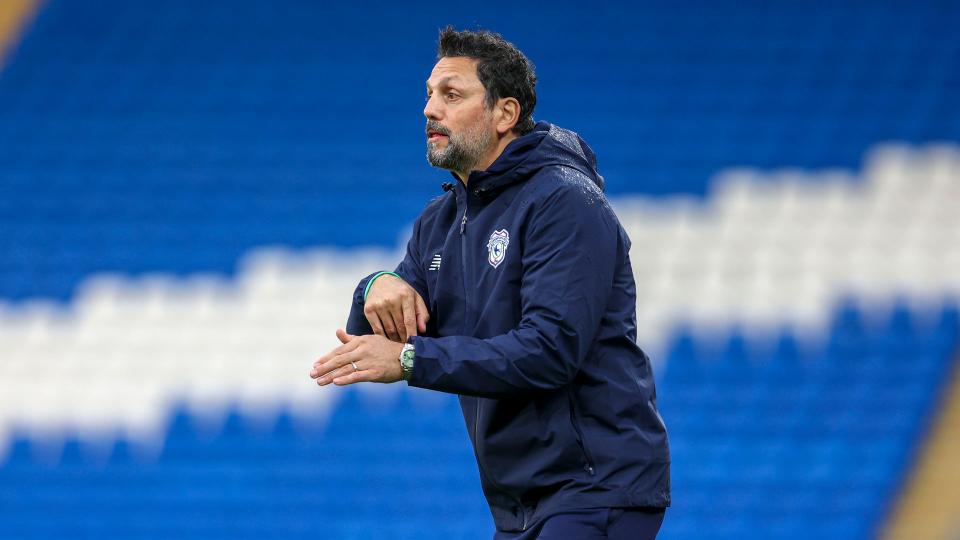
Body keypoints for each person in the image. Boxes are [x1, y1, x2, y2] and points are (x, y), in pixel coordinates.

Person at [310, 27, 670, 540]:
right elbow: (381, 338)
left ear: (505, 113)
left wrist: (411, 361)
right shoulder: (438, 222)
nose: (429, 109)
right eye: (429, 95)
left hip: (595, 485)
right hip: (517, 504)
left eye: (451, 95)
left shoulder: (563, 202)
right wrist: (375, 285)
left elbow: (551, 351)